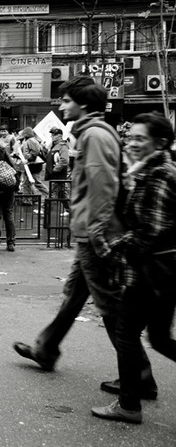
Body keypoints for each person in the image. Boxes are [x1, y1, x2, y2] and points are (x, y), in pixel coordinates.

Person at [12, 77, 156, 398]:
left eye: (65, 100)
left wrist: (97, 233)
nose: (61, 106)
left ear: (83, 104)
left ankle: (139, 376)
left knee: (108, 306)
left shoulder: (93, 135)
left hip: (95, 234)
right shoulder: (91, 133)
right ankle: (46, 348)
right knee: (74, 296)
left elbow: (103, 188)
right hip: (90, 232)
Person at [92, 112, 176, 424]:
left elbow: (149, 232)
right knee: (159, 339)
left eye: (140, 138)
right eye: (131, 137)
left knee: (127, 333)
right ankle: (133, 391)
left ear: (161, 142)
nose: (133, 143)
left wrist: (112, 246)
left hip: (150, 272)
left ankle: (128, 404)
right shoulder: (150, 172)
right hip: (162, 272)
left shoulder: (159, 177)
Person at [18, 127, 49, 204]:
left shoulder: (30, 141)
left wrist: (28, 160)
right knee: (27, 183)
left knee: (36, 183)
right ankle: (28, 200)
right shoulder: (31, 140)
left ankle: (48, 195)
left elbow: (35, 152)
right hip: (31, 164)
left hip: (32, 165)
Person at [46, 127, 71, 214]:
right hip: (55, 174)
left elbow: (64, 160)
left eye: (54, 134)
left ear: (60, 136)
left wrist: (55, 170)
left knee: (52, 192)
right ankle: (69, 209)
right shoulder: (53, 146)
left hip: (58, 175)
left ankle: (45, 210)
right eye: (52, 134)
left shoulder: (62, 146)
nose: (52, 136)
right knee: (61, 193)